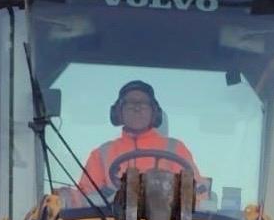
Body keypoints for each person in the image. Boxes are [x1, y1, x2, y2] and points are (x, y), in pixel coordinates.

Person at [78, 81, 208, 199]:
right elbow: (84, 197)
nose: (137, 108)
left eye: (144, 104)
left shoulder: (176, 149)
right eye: (130, 103)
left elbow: (196, 194)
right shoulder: (101, 154)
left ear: (155, 113)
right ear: (118, 112)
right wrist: (64, 196)